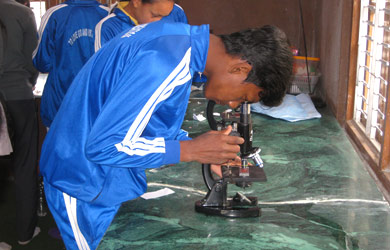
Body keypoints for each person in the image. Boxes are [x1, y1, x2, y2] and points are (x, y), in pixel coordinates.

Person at [40, 21, 293, 249]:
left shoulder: (178, 42)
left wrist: (199, 148)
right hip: (82, 180)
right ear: (240, 68)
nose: (234, 105)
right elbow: (103, 146)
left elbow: (142, 124)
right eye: (243, 97)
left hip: (102, 175)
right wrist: (190, 150)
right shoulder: (164, 60)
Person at [0, 0, 40, 245]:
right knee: (25, 164)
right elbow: (32, 59)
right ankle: (25, 233)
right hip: (19, 96)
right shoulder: (23, 13)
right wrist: (29, 80)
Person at [33, 0, 109, 128]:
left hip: (60, 102)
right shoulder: (108, 15)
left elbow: (41, 62)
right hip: (97, 105)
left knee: (57, 146)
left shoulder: (54, 15)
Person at [94, 0, 187, 52]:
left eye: (165, 16)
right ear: (136, 2)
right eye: (155, 15)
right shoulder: (108, 27)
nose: (159, 21)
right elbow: (106, 75)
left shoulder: (176, 12)